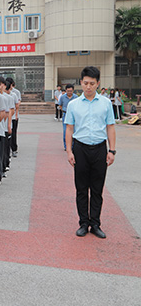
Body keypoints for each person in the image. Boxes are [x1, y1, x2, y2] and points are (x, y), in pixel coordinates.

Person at [65, 66, 116, 239]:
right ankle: (83, 223)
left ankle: (95, 223)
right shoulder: (73, 105)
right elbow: (69, 128)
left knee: (97, 189)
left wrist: (112, 150)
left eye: (92, 84)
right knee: (81, 189)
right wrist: (68, 151)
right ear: (81, 83)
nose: (88, 87)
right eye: (85, 83)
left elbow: (110, 127)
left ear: (98, 84)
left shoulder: (106, 103)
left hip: (100, 149)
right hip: (80, 149)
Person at [58, 84, 78, 151]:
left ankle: (73, 146)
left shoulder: (76, 97)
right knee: (65, 130)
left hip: (74, 116)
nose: (69, 92)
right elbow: (60, 105)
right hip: (65, 114)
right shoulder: (63, 97)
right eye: (68, 91)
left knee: (74, 131)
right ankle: (66, 146)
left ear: (73, 91)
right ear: (66, 90)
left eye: (71, 91)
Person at [6, 77, 21, 157]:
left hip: (14, 117)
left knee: (13, 133)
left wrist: (16, 115)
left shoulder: (15, 93)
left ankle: (14, 149)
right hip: (7, 117)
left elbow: (17, 105)